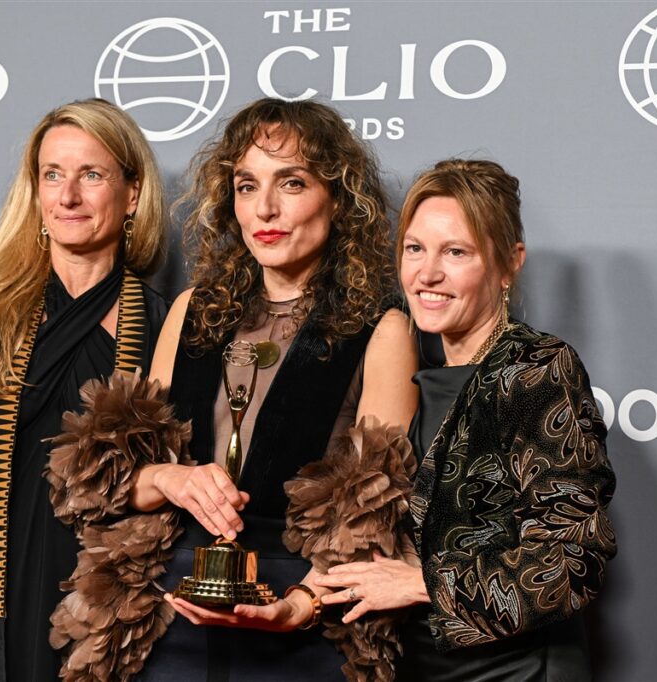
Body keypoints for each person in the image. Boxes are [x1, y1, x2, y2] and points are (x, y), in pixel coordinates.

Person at [47, 98, 418, 680]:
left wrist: (301, 605)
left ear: (338, 197)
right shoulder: (191, 312)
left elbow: (377, 521)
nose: (265, 208)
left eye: (291, 183)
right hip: (169, 616)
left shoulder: (383, 329)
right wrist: (168, 478)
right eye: (247, 186)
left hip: (298, 623)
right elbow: (104, 483)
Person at [315, 159, 617, 680]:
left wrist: (420, 584)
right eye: (415, 248)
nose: (427, 274)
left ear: (508, 264)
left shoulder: (534, 369)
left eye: (456, 252)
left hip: (516, 670)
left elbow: (573, 559)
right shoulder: (417, 376)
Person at [0, 99, 169, 682]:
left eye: (91, 175)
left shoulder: (163, 325)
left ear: (132, 194)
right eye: (53, 174)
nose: (68, 196)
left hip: (103, 622)